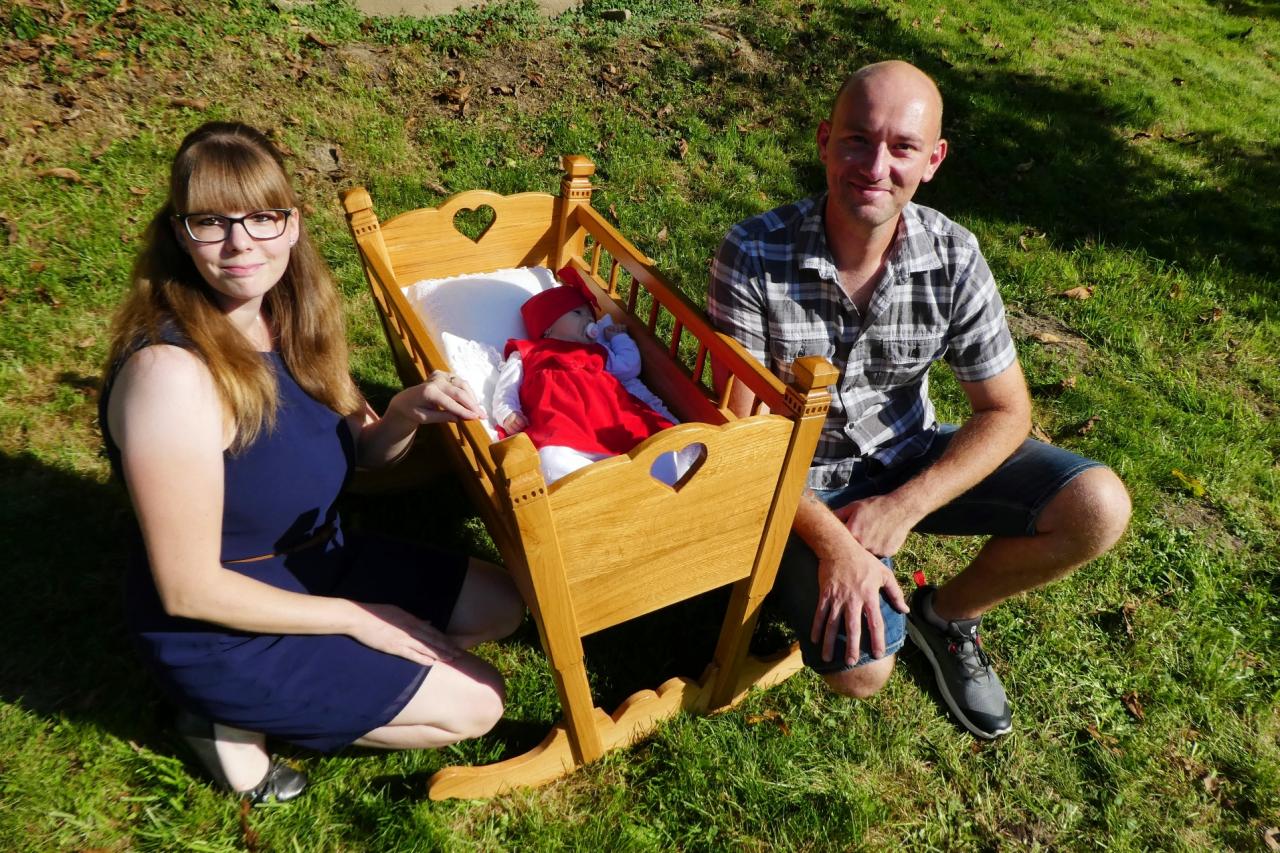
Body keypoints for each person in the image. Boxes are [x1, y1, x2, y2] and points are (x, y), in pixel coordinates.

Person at [99, 121, 524, 804]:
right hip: (223, 624)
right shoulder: (170, 376)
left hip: (318, 560)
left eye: (261, 217)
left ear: (292, 224)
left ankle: (337, 677)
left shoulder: (295, 319)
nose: (240, 243)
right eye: (211, 221)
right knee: (479, 704)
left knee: (503, 605)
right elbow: (188, 589)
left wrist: (406, 414)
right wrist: (357, 618)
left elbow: (362, 455)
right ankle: (218, 718)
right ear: (181, 234)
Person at [708, 61, 1131, 739]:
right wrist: (837, 546)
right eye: (857, 140)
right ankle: (819, 583)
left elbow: (1006, 410)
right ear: (824, 141)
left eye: (902, 147)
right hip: (793, 484)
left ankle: (948, 615)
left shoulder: (954, 257)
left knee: (1097, 506)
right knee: (863, 672)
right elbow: (742, 439)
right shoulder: (753, 252)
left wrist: (903, 506)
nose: (876, 167)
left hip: (909, 454)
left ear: (932, 161)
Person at [491, 267, 680, 484]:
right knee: (550, 458)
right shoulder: (527, 352)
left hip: (610, 418)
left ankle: (659, 480)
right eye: (577, 313)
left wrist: (618, 338)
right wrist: (508, 413)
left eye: (590, 315)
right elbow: (506, 388)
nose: (588, 319)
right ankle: (589, 490)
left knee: (655, 444)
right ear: (547, 327)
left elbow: (629, 367)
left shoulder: (596, 351)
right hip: (562, 426)